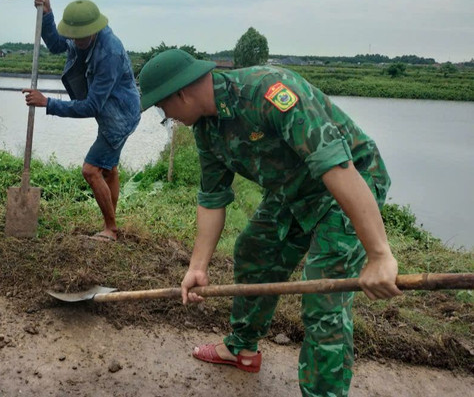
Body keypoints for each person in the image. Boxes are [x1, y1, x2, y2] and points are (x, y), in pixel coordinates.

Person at [137, 49, 402, 397]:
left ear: (181, 94)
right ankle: (241, 348)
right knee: (255, 250)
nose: (167, 116)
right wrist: (198, 267)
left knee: (324, 296)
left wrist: (379, 255)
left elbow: (335, 166)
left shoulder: (269, 92)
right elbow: (213, 198)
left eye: (162, 108)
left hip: (349, 182)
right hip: (295, 188)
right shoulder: (207, 129)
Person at [22, 0, 141, 242]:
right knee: (108, 169)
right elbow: (55, 44)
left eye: (80, 38)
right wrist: (47, 14)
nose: (75, 42)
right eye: (72, 37)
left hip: (119, 116)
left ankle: (110, 229)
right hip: (109, 112)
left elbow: (91, 106)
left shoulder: (109, 53)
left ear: (93, 30)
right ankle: (112, 222)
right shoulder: (79, 36)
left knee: (91, 170)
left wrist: (48, 102)